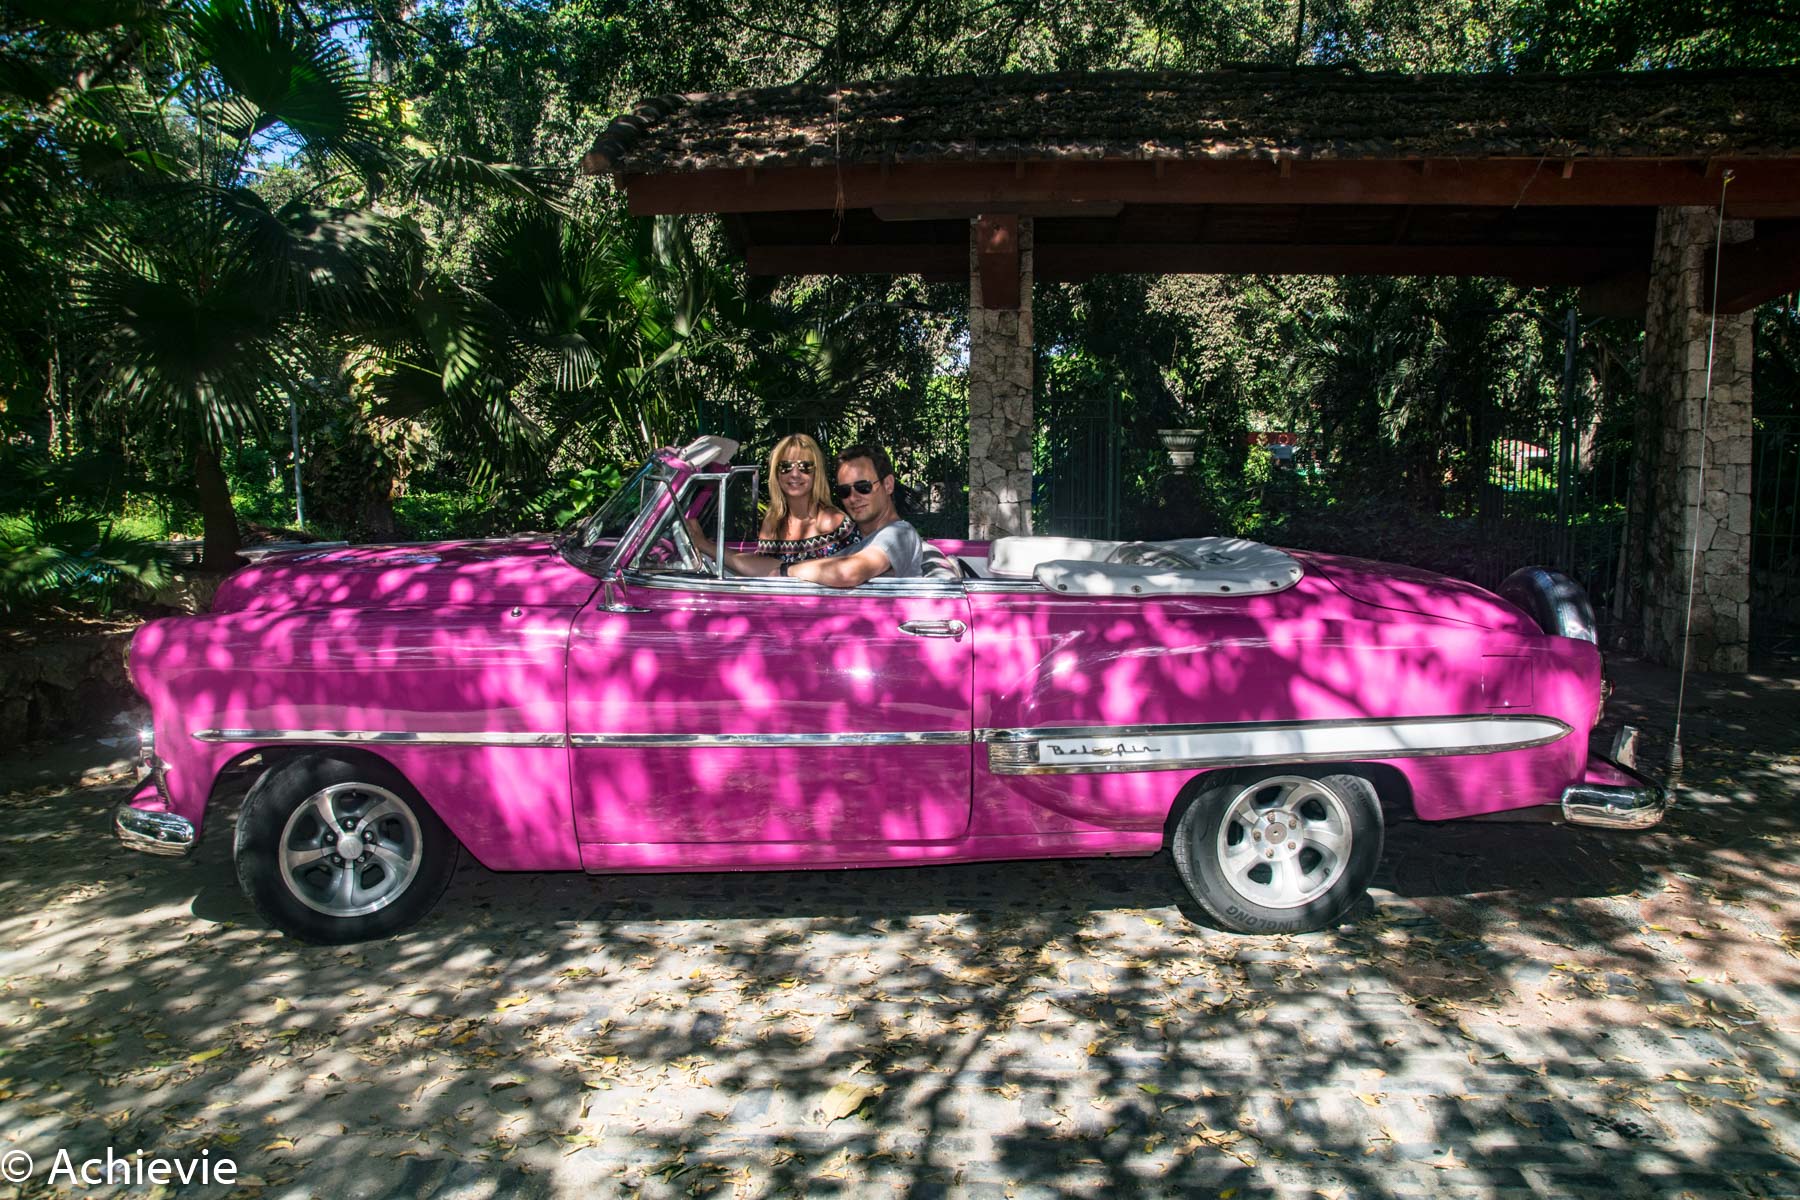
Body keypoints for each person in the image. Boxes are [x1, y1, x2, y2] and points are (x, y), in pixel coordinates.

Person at [780, 443, 924, 587]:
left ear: (888, 485)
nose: (853, 498)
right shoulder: (852, 542)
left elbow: (847, 573)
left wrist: (786, 571)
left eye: (863, 487)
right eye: (844, 491)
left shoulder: (900, 533)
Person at [753, 433, 861, 566]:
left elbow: (859, 569)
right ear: (776, 474)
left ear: (817, 473)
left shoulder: (834, 523)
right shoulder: (772, 523)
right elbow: (762, 572)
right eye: (785, 466)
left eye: (805, 466)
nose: (795, 474)